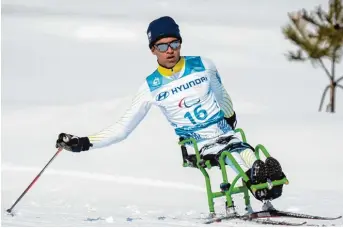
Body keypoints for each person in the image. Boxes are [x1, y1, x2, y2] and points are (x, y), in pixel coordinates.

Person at [55, 16, 284, 212]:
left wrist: (230, 117)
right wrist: (83, 143)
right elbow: (123, 128)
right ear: (153, 50)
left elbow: (222, 95)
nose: (170, 51)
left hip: (226, 133)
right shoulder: (151, 86)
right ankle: (259, 183)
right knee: (232, 157)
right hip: (201, 143)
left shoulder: (204, 65)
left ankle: (267, 184)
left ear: (181, 43)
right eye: (162, 46)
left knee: (248, 153)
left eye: (174, 43)